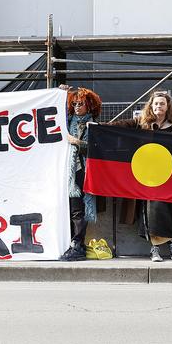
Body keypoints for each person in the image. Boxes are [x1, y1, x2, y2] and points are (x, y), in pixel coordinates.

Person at [112, 90, 172, 262]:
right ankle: (167, 244)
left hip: (171, 178)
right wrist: (99, 127)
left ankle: (157, 247)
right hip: (146, 177)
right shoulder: (142, 123)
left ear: (167, 106)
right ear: (151, 106)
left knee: (164, 205)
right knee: (151, 204)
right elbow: (120, 126)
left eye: (162, 103)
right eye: (156, 103)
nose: (158, 106)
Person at [59, 87, 102, 261]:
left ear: (89, 105)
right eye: (74, 103)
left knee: (78, 209)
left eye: (81, 103)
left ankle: (77, 244)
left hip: (81, 171)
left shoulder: (93, 125)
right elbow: (53, 113)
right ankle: (73, 243)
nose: (77, 106)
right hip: (64, 170)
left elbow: (96, 148)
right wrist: (61, 94)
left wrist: (76, 142)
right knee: (67, 208)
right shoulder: (67, 120)